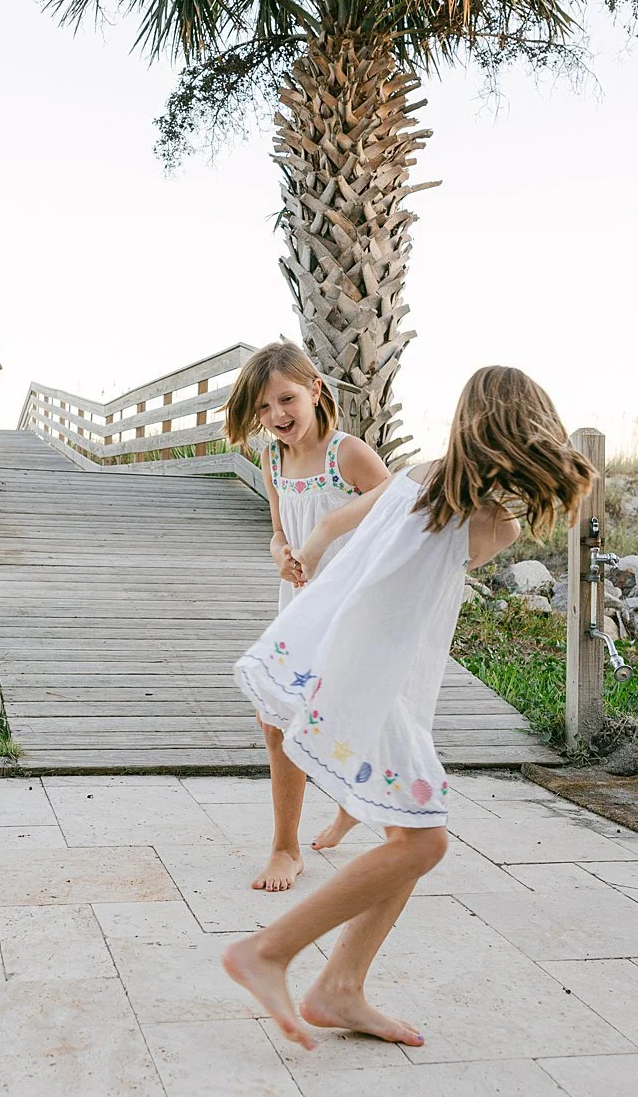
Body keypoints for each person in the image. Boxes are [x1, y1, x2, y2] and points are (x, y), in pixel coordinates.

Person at [225, 366, 593, 1049]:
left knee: (411, 835)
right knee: (422, 840)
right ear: (528, 433)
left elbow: (336, 525)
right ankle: (269, 953)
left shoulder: (417, 478)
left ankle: (341, 986)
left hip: (348, 667)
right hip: (371, 686)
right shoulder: (493, 523)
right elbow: (458, 554)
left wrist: (307, 556)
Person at [223, 342, 388, 891]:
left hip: (352, 609)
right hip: (298, 608)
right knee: (274, 719)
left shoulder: (348, 454)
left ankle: (350, 804)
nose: (276, 416)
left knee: (346, 716)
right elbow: (278, 529)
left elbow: (397, 499)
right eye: (262, 408)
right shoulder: (272, 459)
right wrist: (282, 553)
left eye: (286, 399)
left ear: (315, 389)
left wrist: (324, 533)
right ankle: (285, 848)